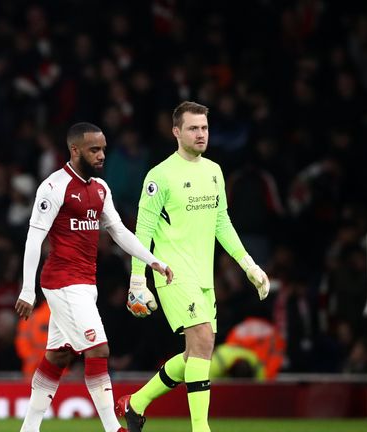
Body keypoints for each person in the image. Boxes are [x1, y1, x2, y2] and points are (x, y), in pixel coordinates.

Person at [115, 101, 270, 432]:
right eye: (193, 128)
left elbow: (222, 223)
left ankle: (136, 403)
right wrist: (137, 281)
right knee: (201, 339)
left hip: (204, 276)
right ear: (176, 132)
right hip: (171, 273)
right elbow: (141, 232)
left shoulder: (214, 171)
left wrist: (249, 265)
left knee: (195, 356)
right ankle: (201, 428)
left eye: (205, 128)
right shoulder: (159, 176)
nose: (201, 134)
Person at [15, 122, 173, 432]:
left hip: (86, 283)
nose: (101, 155)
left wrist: (152, 260)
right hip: (62, 281)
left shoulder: (100, 188)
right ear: (75, 150)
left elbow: (118, 231)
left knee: (58, 357)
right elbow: (34, 238)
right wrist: (26, 290)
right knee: (98, 350)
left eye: (102, 149)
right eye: (94, 149)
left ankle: (28, 429)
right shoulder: (53, 186)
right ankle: (114, 428)